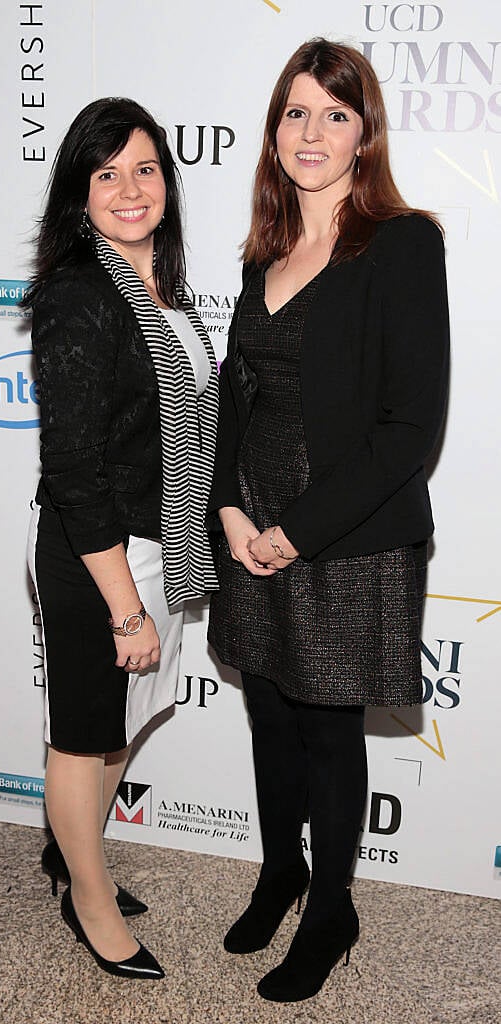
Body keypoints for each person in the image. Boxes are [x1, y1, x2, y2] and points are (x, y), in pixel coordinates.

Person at [208, 38, 449, 1003]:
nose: (311, 132)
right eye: (296, 112)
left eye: (334, 115)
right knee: (267, 706)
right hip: (250, 524)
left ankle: (332, 907)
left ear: (364, 134)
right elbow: (238, 395)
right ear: (274, 129)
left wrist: (297, 529)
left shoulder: (400, 241)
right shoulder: (265, 245)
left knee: (327, 724)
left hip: (345, 530)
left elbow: (408, 427)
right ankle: (281, 870)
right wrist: (227, 506)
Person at [22, 97, 218, 979]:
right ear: (79, 194)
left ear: (167, 185)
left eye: (145, 168)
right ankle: (89, 905)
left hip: (156, 540)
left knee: (116, 731)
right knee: (84, 732)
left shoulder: (156, 295)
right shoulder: (78, 293)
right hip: (94, 550)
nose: (129, 189)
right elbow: (73, 468)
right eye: (106, 174)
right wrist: (126, 608)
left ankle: (76, 859)